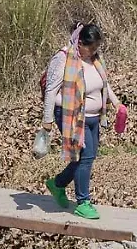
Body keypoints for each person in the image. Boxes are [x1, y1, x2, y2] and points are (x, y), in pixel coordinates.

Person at [41, 22, 123, 220]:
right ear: (80, 42)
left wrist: (116, 103)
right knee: (85, 157)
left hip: (94, 117)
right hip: (72, 115)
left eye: (96, 48)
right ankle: (83, 202)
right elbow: (51, 90)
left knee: (88, 157)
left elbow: (104, 84)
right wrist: (47, 120)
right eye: (90, 48)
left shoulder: (95, 60)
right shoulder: (64, 59)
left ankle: (58, 183)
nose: (93, 52)